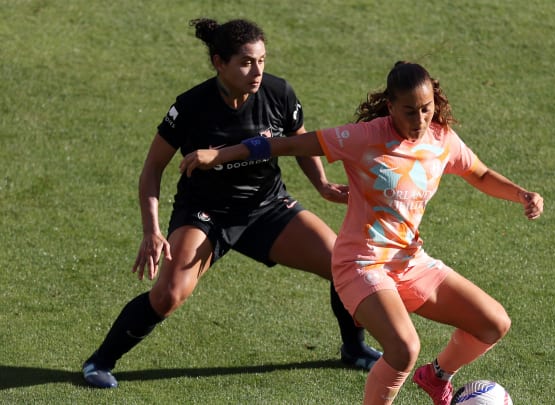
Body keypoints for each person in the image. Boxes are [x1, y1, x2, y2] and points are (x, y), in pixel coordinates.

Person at [180, 61, 544, 404]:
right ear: (390, 106)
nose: (420, 119)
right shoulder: (363, 137)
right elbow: (288, 144)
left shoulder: (441, 140)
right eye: (409, 110)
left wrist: (521, 194)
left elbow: (478, 173)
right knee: (403, 349)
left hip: (408, 261)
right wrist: (222, 155)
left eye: (427, 108)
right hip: (361, 263)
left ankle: (436, 376)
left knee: (493, 323)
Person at [81, 17, 381, 389]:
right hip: (206, 215)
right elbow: (152, 170)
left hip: (267, 207)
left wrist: (321, 183)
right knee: (169, 294)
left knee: (343, 264)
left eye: (262, 60)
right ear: (218, 63)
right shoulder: (190, 107)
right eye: (245, 62)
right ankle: (99, 361)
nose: (256, 71)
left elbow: (299, 141)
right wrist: (152, 230)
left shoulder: (278, 93)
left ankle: (353, 348)